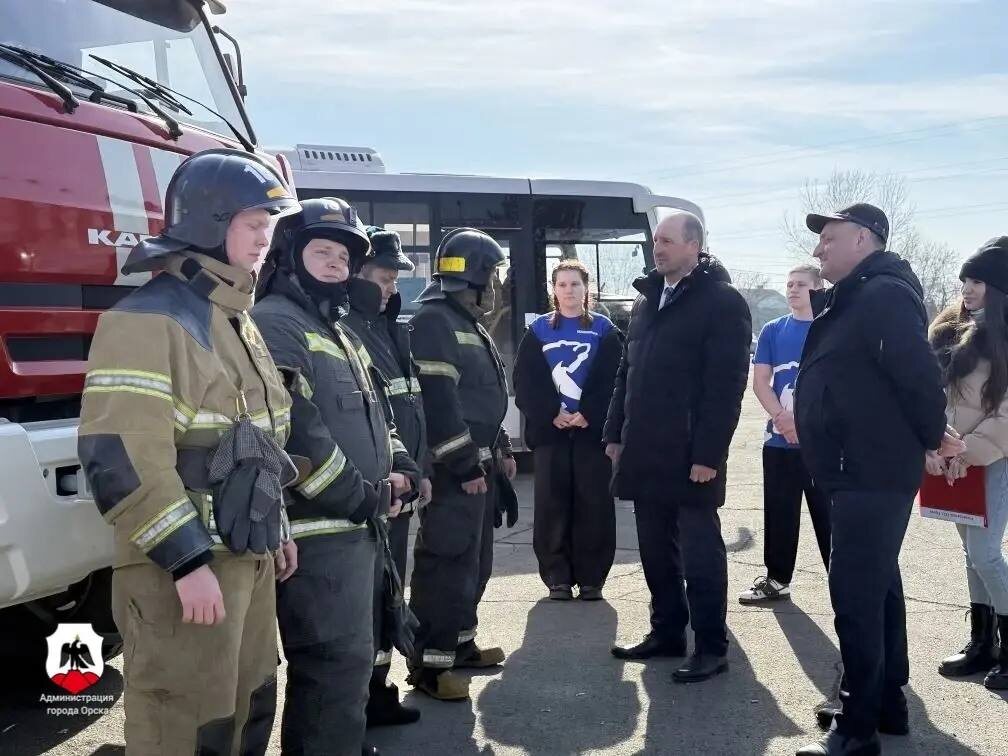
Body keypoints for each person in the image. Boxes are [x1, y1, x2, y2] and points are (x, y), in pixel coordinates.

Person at [78, 149, 300, 756]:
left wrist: (274, 527)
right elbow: (122, 457)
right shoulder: (147, 320)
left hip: (244, 558)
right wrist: (185, 563)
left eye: (270, 226)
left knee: (247, 709)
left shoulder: (235, 317)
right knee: (184, 722)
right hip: (183, 573)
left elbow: (256, 445)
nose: (265, 239)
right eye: (254, 224)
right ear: (210, 220)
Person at [251, 198, 419, 756]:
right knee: (328, 666)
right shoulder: (276, 321)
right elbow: (296, 432)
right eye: (322, 251)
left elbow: (377, 416)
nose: (335, 263)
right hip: (318, 531)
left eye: (343, 256)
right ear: (289, 257)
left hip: (355, 527)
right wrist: (360, 496)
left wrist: (401, 465)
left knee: (348, 666)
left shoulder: (339, 329)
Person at [793, 203, 962, 756]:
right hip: (854, 466)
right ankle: (887, 704)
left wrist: (935, 435)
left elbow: (917, 374)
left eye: (829, 239)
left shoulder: (883, 294)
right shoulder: (856, 295)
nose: (819, 250)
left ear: (863, 239)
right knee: (879, 589)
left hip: (869, 467)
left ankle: (856, 726)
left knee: (856, 594)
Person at [605, 211, 752, 683]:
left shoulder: (722, 302)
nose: (658, 248)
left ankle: (711, 646)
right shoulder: (649, 301)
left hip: (692, 455)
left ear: (694, 245)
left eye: (667, 241)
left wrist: (709, 454)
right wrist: (613, 433)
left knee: (699, 554)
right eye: (655, 242)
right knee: (653, 547)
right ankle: (667, 631)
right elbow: (627, 373)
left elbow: (726, 385)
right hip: (645, 449)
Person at [407, 228, 515, 701]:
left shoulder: (464, 320)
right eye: (491, 276)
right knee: (446, 565)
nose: (495, 286)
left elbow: (480, 397)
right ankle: (430, 668)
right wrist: (465, 464)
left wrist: (503, 448)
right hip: (457, 476)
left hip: (480, 467)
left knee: (475, 563)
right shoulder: (436, 320)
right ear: (472, 277)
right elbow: (439, 402)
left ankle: (461, 647)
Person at [342, 225, 432, 727]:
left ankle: (377, 694)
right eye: (384, 276)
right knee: (364, 603)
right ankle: (358, 704)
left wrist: (418, 470)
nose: (393, 287)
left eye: (396, 278)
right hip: (368, 494)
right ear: (358, 276)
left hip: (397, 490)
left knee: (387, 597)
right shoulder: (348, 328)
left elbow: (405, 409)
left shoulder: (386, 327)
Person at [513, 259, 622, 601]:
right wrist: (551, 414)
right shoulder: (539, 331)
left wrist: (588, 413)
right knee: (551, 505)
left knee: (594, 505)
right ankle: (557, 578)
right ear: (553, 290)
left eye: (575, 284)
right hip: (552, 435)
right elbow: (525, 380)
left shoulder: (605, 330)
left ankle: (592, 579)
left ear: (586, 288)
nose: (569, 291)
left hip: (592, 436)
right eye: (562, 284)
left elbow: (615, 379)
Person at [928, 236, 1008, 691]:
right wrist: (935, 445)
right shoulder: (948, 333)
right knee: (971, 556)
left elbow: (1005, 414)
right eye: (964, 279)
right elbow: (936, 398)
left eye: (977, 279)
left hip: (994, 461)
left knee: (986, 554)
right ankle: (982, 644)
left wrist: (965, 449)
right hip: (952, 458)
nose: (967, 287)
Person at [740, 265, 831, 605]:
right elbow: (760, 382)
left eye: (801, 284)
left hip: (822, 445)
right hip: (779, 441)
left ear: (818, 288)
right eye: (789, 284)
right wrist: (782, 418)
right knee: (779, 514)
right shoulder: (773, 331)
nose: (793, 290)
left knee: (830, 518)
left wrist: (805, 426)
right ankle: (777, 580)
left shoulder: (830, 328)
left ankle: (843, 584)